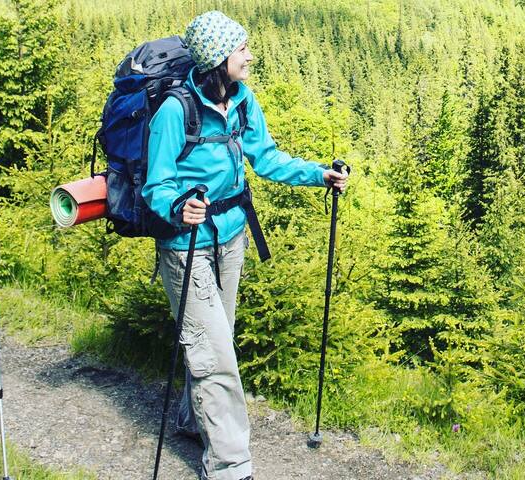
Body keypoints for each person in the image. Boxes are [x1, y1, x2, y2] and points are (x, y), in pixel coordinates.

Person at [145, 10, 350, 480]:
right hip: (186, 244)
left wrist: (319, 174)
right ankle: (229, 466)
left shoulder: (241, 100)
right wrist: (179, 205)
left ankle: (192, 421)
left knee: (219, 341)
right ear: (219, 58)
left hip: (231, 236)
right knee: (212, 352)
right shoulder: (176, 111)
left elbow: (266, 157)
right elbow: (156, 185)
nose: (250, 56)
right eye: (242, 49)